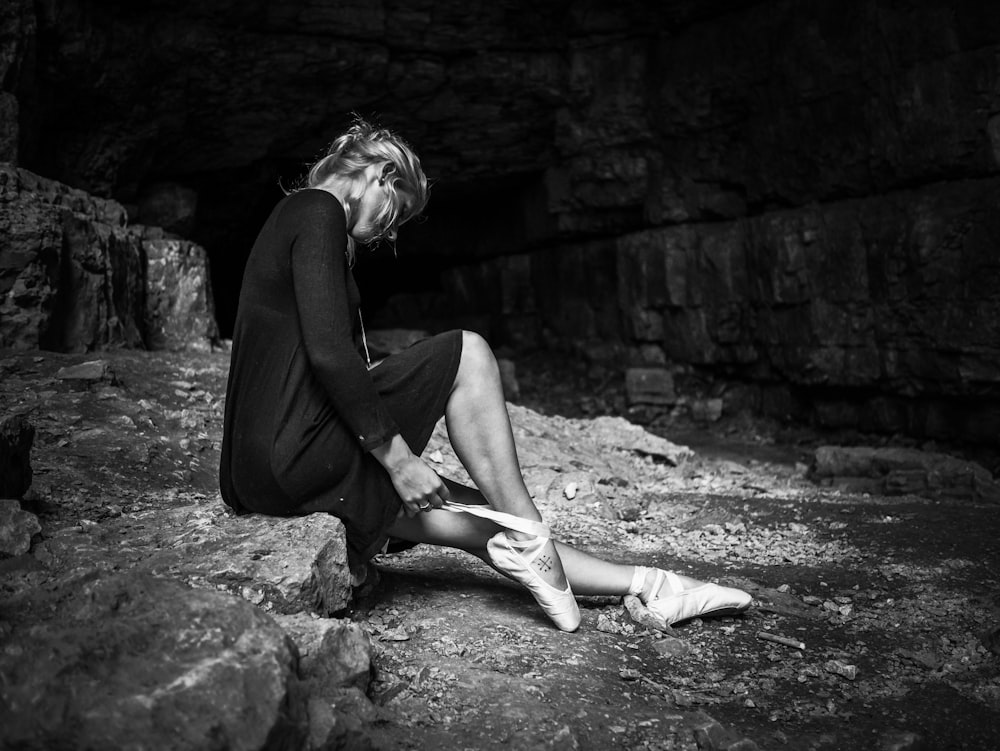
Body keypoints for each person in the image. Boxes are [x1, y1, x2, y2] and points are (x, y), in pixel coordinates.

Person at [219, 117, 751, 632]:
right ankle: (537, 535)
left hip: (263, 472)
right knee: (468, 352)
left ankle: (655, 584)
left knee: (479, 518)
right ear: (381, 177)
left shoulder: (294, 217)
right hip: (294, 453)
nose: (388, 230)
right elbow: (331, 355)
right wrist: (399, 461)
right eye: (393, 212)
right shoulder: (318, 209)